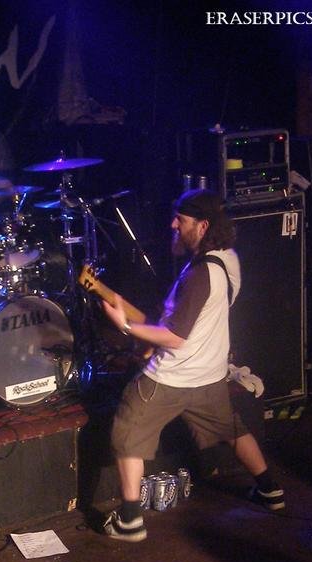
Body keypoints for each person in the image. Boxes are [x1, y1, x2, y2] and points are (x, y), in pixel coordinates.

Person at [100, 188, 284, 543]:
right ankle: (269, 489)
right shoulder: (228, 259)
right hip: (210, 374)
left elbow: (176, 338)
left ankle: (130, 521)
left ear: (202, 226)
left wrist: (125, 325)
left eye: (180, 220)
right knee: (231, 429)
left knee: (126, 431)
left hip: (171, 377)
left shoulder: (200, 275)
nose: (173, 225)